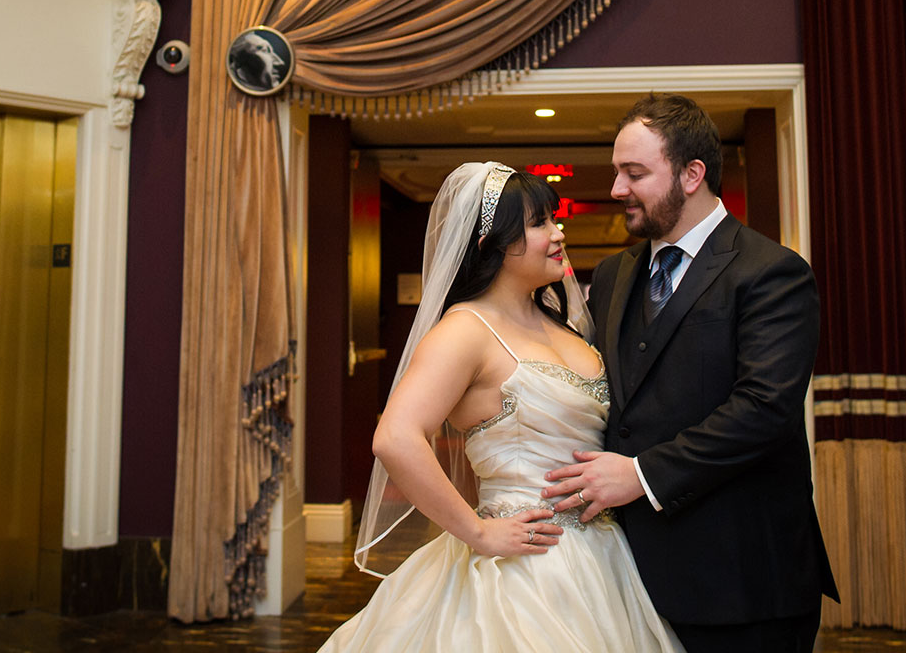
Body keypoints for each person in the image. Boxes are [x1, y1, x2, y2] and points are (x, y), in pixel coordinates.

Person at [320, 161, 684, 652]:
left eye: (554, 219)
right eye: (539, 224)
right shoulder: (465, 331)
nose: (558, 234)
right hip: (522, 566)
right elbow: (395, 437)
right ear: (490, 244)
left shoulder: (563, 324)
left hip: (604, 556)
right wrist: (478, 532)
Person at [542, 93, 838, 653]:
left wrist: (642, 475)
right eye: (616, 172)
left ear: (692, 174)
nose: (615, 190)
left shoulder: (772, 273)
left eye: (634, 173)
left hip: (742, 581)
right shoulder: (611, 275)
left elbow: (764, 410)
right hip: (626, 581)